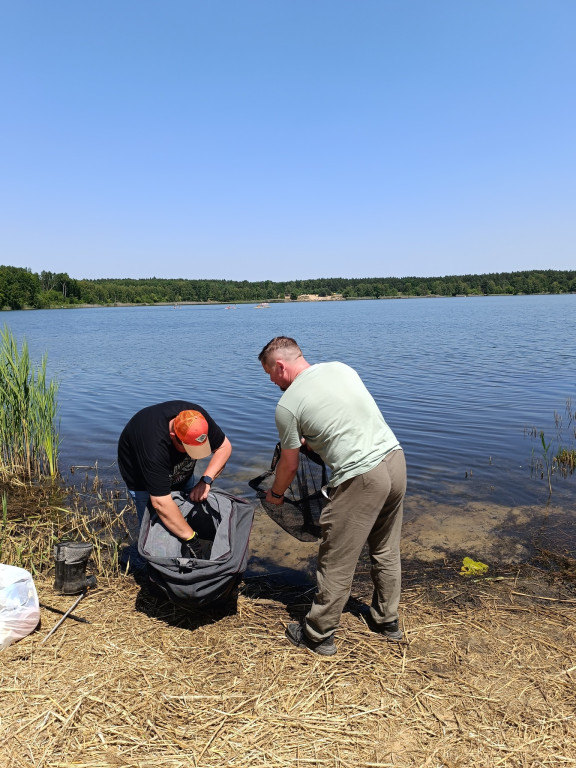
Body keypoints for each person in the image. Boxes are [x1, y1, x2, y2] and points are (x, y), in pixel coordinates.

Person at [258, 337, 406, 656]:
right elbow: (344, 419)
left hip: (361, 476)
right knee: (385, 549)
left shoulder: (287, 405)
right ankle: (386, 621)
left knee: (336, 559)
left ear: (280, 365)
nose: (271, 381)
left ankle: (318, 634)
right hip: (395, 460)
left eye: (270, 373)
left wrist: (276, 494)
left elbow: (289, 463)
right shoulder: (340, 368)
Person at [118, 401, 232, 562]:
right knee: (156, 532)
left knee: (185, 514)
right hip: (143, 481)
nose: (195, 454)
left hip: (180, 472)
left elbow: (224, 448)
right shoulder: (153, 446)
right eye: (189, 448)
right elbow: (160, 502)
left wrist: (205, 481)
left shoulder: (197, 420)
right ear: (173, 437)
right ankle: (155, 568)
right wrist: (191, 538)